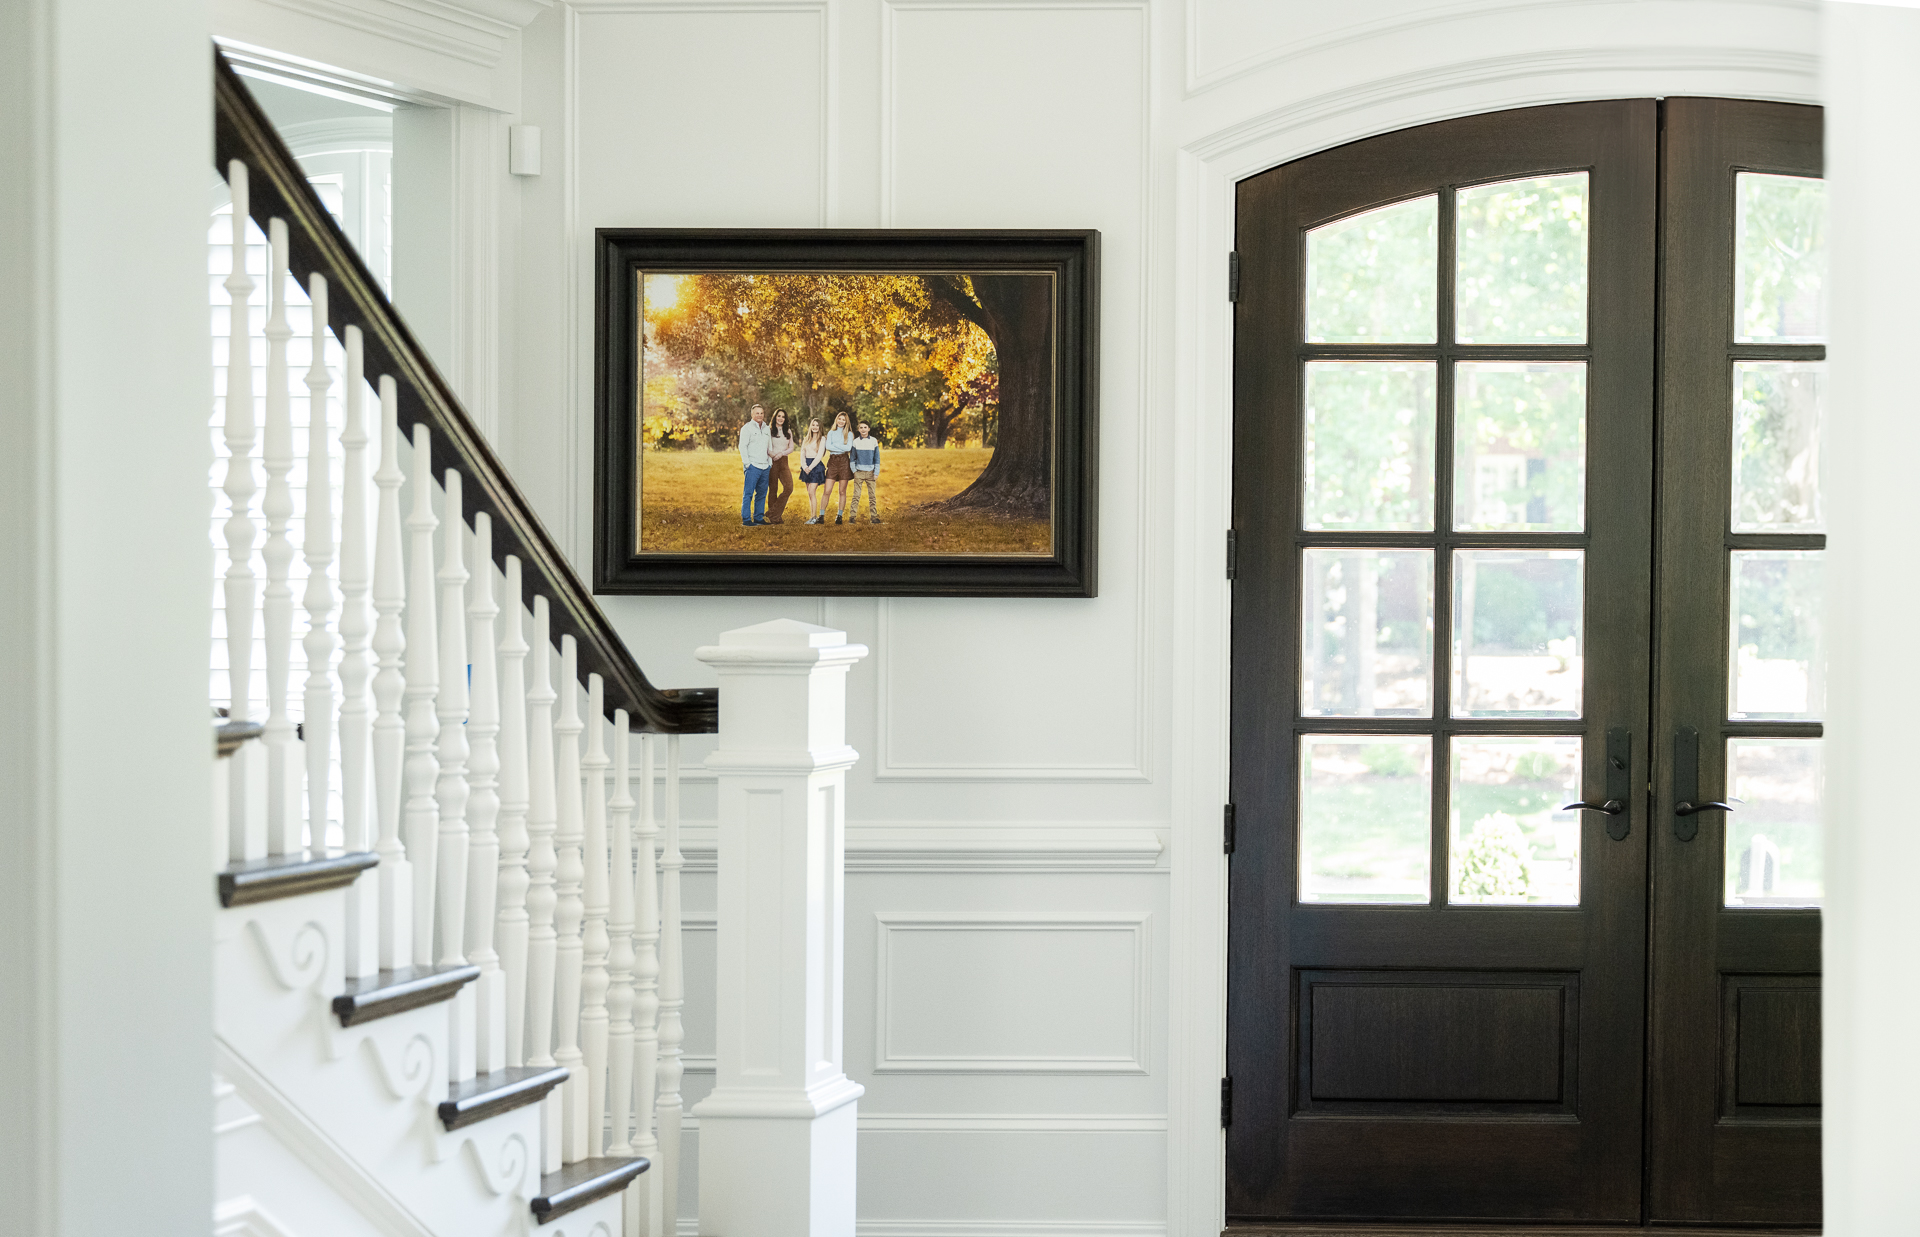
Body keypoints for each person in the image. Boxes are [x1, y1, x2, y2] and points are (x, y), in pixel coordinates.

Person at [737, 403, 772, 526]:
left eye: (762, 413)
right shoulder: (747, 428)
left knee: (762, 494)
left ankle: (758, 517)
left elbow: (769, 446)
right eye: (757, 413)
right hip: (753, 466)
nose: (760, 415)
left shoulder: (767, 428)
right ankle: (746, 519)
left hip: (765, 466)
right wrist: (747, 464)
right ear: (752, 414)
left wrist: (770, 463)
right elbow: (742, 446)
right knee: (748, 493)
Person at [822, 411, 855, 524]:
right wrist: (842, 447)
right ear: (836, 420)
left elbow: (848, 448)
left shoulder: (849, 434)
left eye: (843, 420)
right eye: (839, 419)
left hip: (844, 462)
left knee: (842, 491)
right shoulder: (831, 432)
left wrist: (835, 446)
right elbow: (828, 446)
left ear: (846, 422)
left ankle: (839, 516)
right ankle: (821, 515)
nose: (841, 421)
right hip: (833, 461)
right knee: (827, 490)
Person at [765, 408, 796, 523]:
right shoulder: (769, 430)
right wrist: (773, 455)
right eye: (779, 416)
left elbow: (791, 447)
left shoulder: (787, 431)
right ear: (775, 417)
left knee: (789, 487)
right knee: (773, 489)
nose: (781, 418)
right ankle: (775, 518)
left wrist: (781, 454)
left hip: (783, 461)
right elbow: (766, 446)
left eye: (783, 417)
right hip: (772, 461)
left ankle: (772, 512)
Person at [849, 420, 883, 524]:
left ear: (868, 429)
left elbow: (877, 458)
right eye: (861, 427)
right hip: (859, 472)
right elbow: (852, 458)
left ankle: (874, 517)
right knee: (856, 495)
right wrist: (854, 471)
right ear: (858, 429)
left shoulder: (873, 441)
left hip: (871, 473)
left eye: (865, 427)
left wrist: (876, 472)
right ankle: (852, 517)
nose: (863, 429)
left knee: (872, 496)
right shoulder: (855, 442)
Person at [798, 419, 828, 524]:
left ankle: (814, 517)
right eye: (813, 425)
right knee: (810, 494)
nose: (815, 427)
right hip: (806, 466)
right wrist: (804, 466)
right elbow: (802, 453)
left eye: (817, 425)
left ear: (820, 427)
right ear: (810, 426)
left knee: (812, 491)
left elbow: (819, 455)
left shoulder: (822, 439)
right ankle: (812, 517)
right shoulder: (806, 439)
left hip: (815, 466)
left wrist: (810, 468)